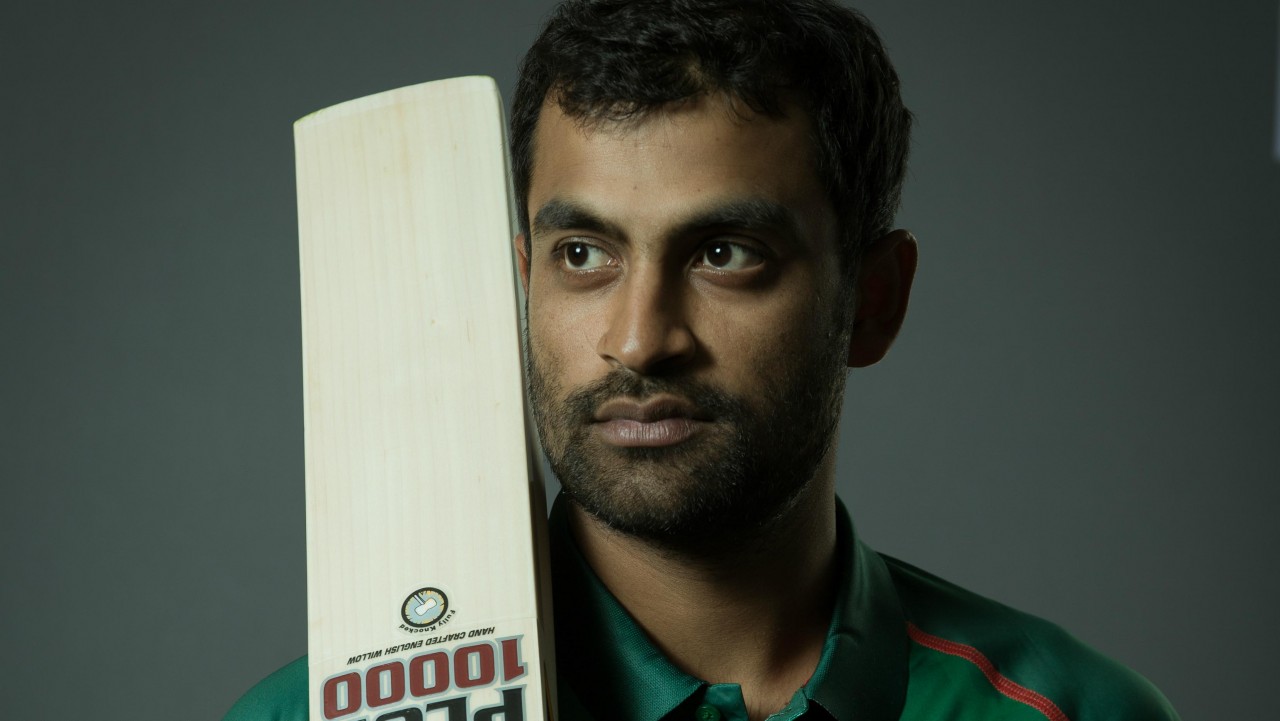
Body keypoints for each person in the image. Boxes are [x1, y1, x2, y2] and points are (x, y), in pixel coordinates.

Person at [226, 1, 1180, 719]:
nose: (640, 339)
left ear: (873, 300)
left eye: (724, 253)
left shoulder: (1076, 711)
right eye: (583, 254)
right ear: (520, 283)